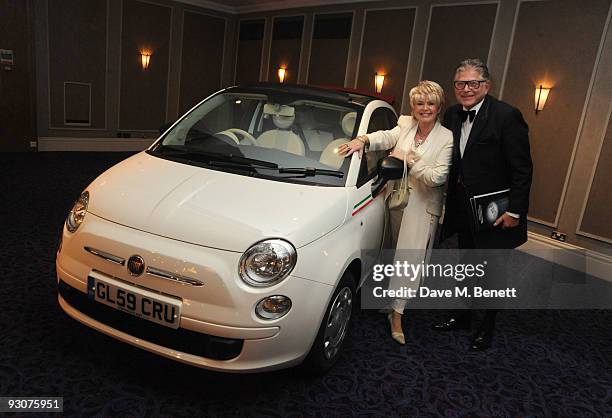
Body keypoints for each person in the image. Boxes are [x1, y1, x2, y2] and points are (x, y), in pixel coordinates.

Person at [339, 80, 453, 344]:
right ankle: (388, 301)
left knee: (409, 260)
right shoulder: (405, 123)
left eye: (431, 103)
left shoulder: (446, 137)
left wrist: (410, 161)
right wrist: (363, 139)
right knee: (390, 251)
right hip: (394, 199)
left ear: (439, 107)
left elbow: (438, 177)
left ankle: (398, 314)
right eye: (419, 103)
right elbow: (388, 136)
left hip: (422, 207)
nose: (425, 108)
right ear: (413, 107)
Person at [433, 58, 533, 350]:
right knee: (466, 265)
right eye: (461, 84)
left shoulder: (507, 116)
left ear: (486, 86)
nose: (466, 89)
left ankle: (485, 325)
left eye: (473, 83)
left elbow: (522, 170)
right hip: (464, 209)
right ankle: (464, 315)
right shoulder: (452, 114)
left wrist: (514, 211)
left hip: (496, 212)